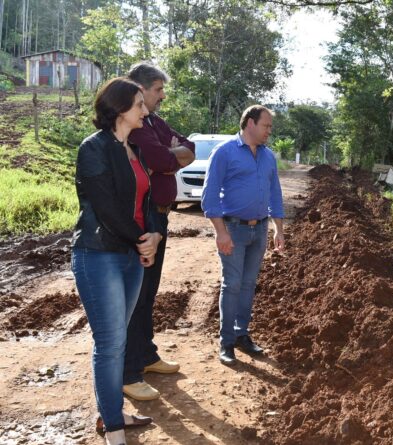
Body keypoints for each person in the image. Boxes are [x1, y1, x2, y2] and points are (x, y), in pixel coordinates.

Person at [71, 77, 163, 445]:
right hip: (99, 255)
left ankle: (110, 413)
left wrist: (154, 235)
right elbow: (107, 209)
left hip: (129, 255)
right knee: (109, 344)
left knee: (118, 342)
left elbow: (146, 204)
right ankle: (113, 429)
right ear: (120, 108)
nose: (146, 109)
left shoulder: (133, 151)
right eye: (140, 104)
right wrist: (143, 240)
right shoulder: (93, 148)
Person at [121, 62, 195, 401]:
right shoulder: (134, 125)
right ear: (140, 89)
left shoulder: (153, 122)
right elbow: (161, 159)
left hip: (161, 217)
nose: (162, 96)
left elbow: (188, 149)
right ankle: (129, 369)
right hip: (144, 215)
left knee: (149, 293)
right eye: (158, 91)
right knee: (135, 295)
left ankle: (146, 355)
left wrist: (172, 154)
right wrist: (170, 155)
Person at [201, 105, 285, 365]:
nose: (269, 131)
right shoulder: (224, 153)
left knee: (249, 284)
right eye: (266, 126)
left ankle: (241, 334)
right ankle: (226, 342)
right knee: (232, 284)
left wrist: (278, 228)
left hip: (259, 229)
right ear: (250, 123)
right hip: (233, 229)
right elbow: (210, 194)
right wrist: (221, 232)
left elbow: (275, 194)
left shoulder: (268, 156)